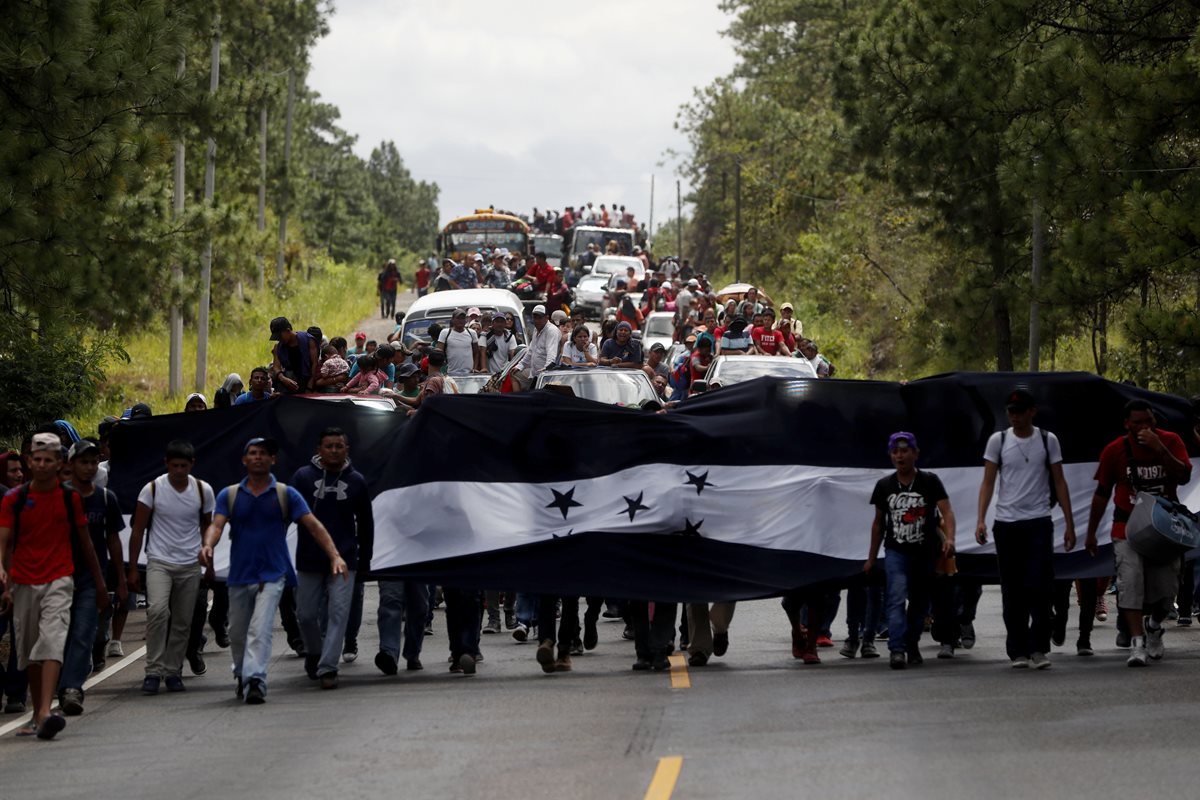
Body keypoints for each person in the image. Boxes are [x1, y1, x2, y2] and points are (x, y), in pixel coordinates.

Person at [199, 438, 346, 704]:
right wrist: (208, 545)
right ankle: (242, 673)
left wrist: (334, 555)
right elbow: (217, 525)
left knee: (261, 628)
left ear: (272, 460)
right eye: (253, 453)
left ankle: (256, 679)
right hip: (239, 575)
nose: (258, 457)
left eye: (263, 454)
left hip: (273, 574)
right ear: (244, 460)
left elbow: (314, 526)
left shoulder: (285, 494)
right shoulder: (230, 495)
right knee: (237, 633)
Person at [0, 432, 108, 739]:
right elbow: (4, 543)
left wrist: (100, 584)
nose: (43, 465)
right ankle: (38, 714)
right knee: (30, 652)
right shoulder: (14, 499)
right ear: (30, 462)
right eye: (38, 460)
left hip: (60, 579)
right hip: (22, 582)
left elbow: (86, 543)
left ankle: (46, 712)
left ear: (60, 463)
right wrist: (4, 578)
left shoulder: (69, 498)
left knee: (51, 641)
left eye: (50, 460)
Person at [1085, 399, 1191, 666]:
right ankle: (1137, 642)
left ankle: (1154, 626)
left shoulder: (1171, 441)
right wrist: (1091, 533)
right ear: (1127, 425)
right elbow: (1101, 494)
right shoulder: (1114, 451)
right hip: (1127, 528)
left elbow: (1183, 476)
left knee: (1167, 591)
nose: (1144, 426)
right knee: (1130, 582)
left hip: (1163, 530)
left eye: (1148, 421)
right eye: (1138, 423)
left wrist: (1160, 449)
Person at [976, 386, 1076, 669]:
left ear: (1032, 412)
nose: (1015, 417)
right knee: (1013, 589)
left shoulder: (1047, 440)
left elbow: (1059, 481)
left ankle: (1038, 648)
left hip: (1038, 522)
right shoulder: (999, 440)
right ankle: (1017, 649)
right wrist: (981, 518)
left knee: (1041, 586)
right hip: (1007, 524)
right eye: (1011, 412)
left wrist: (1069, 523)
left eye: (1020, 412)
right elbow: (988, 482)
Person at [127, 440, 215, 693]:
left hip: (189, 564)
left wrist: (209, 561)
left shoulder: (202, 490)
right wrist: (133, 568)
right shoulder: (152, 489)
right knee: (157, 612)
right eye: (174, 465)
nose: (179, 470)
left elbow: (207, 528)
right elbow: (137, 530)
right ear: (166, 464)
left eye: (183, 466)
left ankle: (173, 671)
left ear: (192, 465)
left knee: (183, 621)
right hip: (159, 561)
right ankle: (153, 671)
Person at [866, 432, 956, 669]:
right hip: (896, 551)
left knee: (919, 602)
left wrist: (950, 539)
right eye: (895, 451)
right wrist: (871, 558)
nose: (900, 455)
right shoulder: (884, 486)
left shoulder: (930, 481)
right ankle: (897, 649)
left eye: (905, 451)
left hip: (925, 552)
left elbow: (946, 511)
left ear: (915, 453)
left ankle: (912, 643)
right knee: (895, 598)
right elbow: (878, 523)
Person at [291, 428, 372, 690]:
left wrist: (365, 560)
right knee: (305, 615)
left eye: (339, 446)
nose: (334, 451)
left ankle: (328, 667)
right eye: (329, 446)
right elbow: (286, 514)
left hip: (345, 560)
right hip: (309, 559)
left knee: (338, 614)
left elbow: (367, 524)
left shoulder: (357, 481)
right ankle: (315, 652)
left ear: (347, 450)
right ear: (319, 449)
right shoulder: (302, 478)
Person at [58, 440, 125, 716]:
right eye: (83, 462)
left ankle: (71, 688)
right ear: (70, 465)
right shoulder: (57, 497)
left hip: (90, 577)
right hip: (57, 576)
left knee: (84, 631)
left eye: (93, 462)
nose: (88, 467)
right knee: (59, 634)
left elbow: (113, 540)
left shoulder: (106, 498)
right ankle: (61, 678)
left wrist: (120, 578)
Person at [269, 316, 319, 394]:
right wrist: (283, 378)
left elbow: (315, 364)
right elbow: (276, 366)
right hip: (290, 382)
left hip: (309, 380)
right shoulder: (278, 347)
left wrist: (309, 386)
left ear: (288, 330)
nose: (278, 339)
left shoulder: (308, 340)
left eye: (280, 336)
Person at [515, 305, 561, 386]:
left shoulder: (551, 331)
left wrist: (546, 371)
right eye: (535, 317)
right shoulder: (536, 330)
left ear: (547, 318)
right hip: (534, 373)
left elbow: (551, 354)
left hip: (545, 375)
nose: (536, 320)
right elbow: (530, 351)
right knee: (514, 374)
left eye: (539, 318)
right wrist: (520, 366)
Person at [438, 309, 483, 376]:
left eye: (462, 318)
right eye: (458, 318)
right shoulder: (445, 333)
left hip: (469, 374)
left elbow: (476, 353)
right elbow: (439, 353)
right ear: (453, 320)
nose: (460, 320)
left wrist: (474, 368)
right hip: (450, 374)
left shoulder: (472, 333)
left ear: (466, 320)